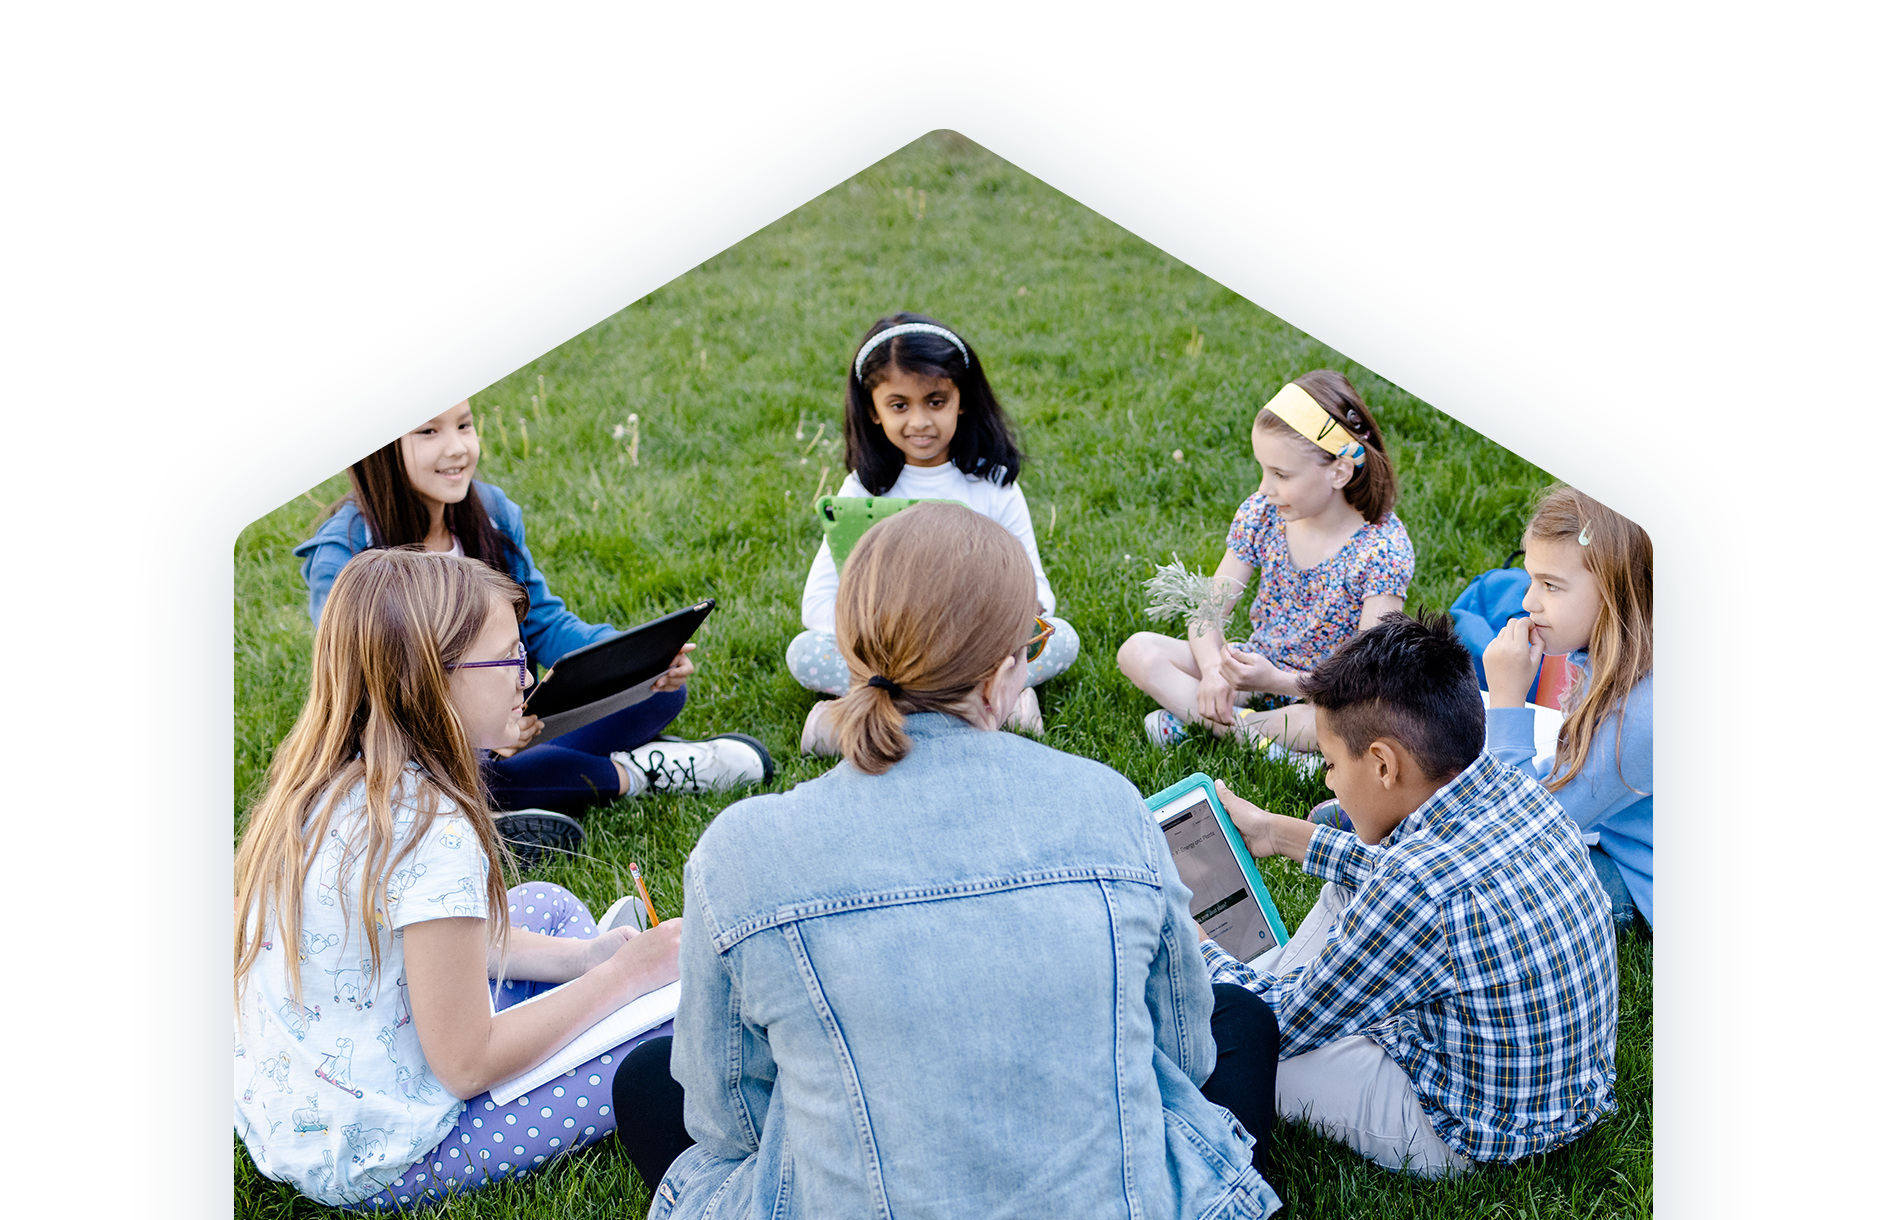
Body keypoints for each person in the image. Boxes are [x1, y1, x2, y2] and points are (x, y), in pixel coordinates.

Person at [614, 504, 1281, 1220]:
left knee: (647, 1083)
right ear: (1012, 663)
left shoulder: (743, 850)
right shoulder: (1105, 802)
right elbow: (1186, 1056)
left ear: (850, 651)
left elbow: (725, 1126)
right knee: (1243, 1017)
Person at [235, 549, 683, 1209]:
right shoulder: (431, 831)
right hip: (383, 1153)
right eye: (508, 659)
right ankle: (604, 1015)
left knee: (551, 909)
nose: (526, 677)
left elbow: (436, 941)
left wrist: (591, 957)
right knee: (665, 1039)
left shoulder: (327, 783)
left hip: (296, 1107)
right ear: (429, 679)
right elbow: (467, 1063)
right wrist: (624, 979)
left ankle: (587, 982)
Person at [1204, 612, 1618, 1179]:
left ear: (1382, 764)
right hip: (1566, 1093)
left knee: (1244, 1049)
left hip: (1474, 1132)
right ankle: (1279, 979)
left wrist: (1196, 943)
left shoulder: (1414, 885)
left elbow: (1277, 1027)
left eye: (1329, 764)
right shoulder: (1516, 789)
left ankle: (1248, 982)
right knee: (1345, 892)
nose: (1327, 781)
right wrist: (1280, 832)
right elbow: (1396, 882)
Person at [295, 370, 771, 859]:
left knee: (656, 694)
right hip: (420, 755)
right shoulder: (345, 556)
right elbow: (367, 697)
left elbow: (544, 622)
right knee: (494, 778)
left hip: (519, 721)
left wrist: (638, 656)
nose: (457, 448)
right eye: (428, 432)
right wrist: (480, 732)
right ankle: (639, 772)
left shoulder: (490, 513)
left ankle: (530, 788)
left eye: (464, 425)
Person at [791, 311, 1079, 754]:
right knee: (805, 652)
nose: (920, 421)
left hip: (972, 649)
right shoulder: (861, 491)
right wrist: (868, 639)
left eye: (936, 401)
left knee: (1061, 638)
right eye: (899, 405)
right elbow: (817, 603)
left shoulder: (993, 486)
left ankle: (860, 718)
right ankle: (994, 711)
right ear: (872, 410)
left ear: (962, 400)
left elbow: (1039, 593)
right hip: (892, 656)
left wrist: (1015, 614)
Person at [1117, 369, 1413, 755]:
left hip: (1319, 695)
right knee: (1138, 651)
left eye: (1280, 474)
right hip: (1254, 669)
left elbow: (1367, 678)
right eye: (1263, 469)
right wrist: (1211, 671)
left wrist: (1276, 681)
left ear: (1338, 471)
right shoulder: (1264, 514)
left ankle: (1209, 725)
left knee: (1338, 721)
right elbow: (1207, 612)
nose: (1263, 488)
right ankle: (1254, 738)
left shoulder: (1382, 549)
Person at [1479, 485, 1653, 929]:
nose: (1527, 603)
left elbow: (1517, 834)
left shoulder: (1636, 716)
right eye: (1530, 578)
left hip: (1633, 882)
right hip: (1600, 830)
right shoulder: (1615, 655)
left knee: (1486, 885)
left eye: (1551, 586)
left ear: (1616, 592)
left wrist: (1507, 701)